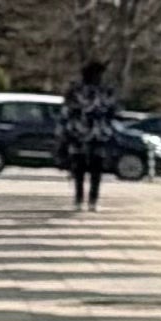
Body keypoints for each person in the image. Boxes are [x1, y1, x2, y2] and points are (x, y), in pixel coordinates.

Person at [62, 59, 124, 210]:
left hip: (95, 133)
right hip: (83, 132)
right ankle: (82, 200)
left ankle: (90, 200)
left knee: (94, 168)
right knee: (81, 168)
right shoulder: (81, 90)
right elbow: (69, 110)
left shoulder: (102, 90)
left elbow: (113, 110)